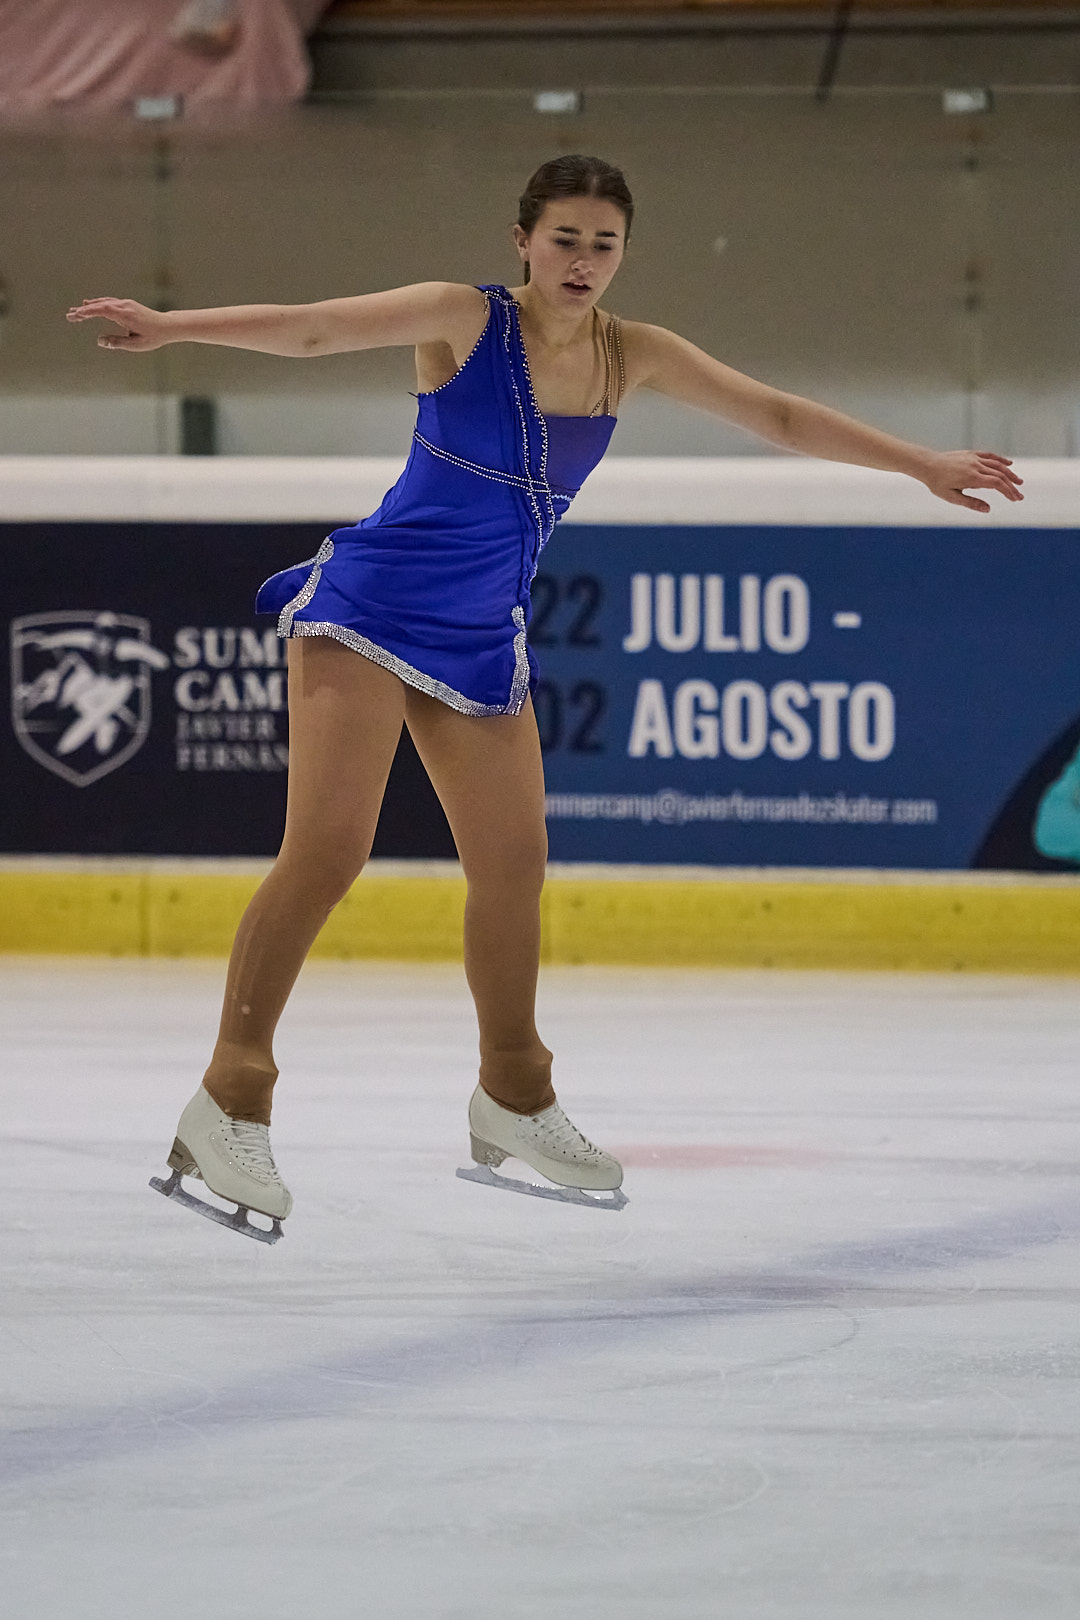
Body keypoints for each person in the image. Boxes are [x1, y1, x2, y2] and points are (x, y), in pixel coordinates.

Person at [67, 153, 1024, 1239]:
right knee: (329, 850)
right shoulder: (457, 320)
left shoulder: (636, 355)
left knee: (515, 866)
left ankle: (514, 1091)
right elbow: (314, 328)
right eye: (564, 238)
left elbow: (781, 416)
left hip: (482, 633)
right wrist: (175, 327)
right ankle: (229, 1096)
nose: (583, 261)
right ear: (522, 240)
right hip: (371, 606)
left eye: (604, 243)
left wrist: (920, 465)